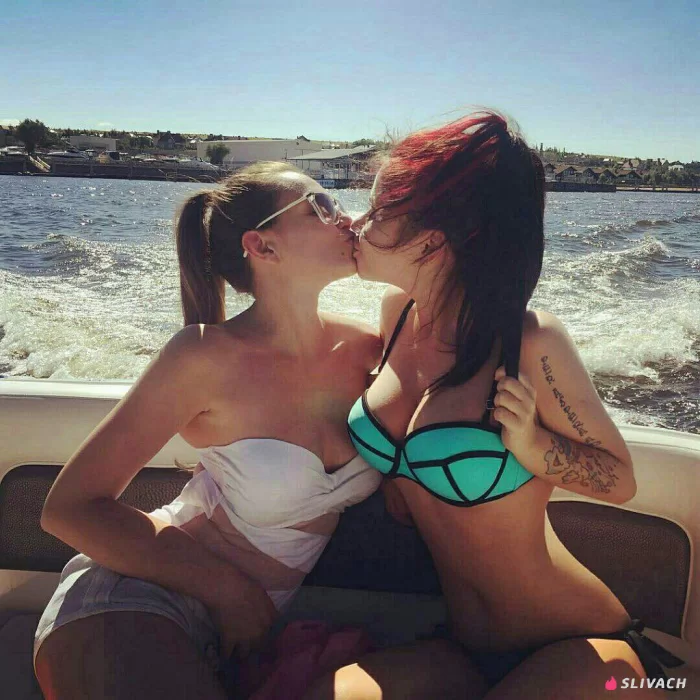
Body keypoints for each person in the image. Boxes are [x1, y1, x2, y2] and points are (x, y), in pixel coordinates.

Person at [305, 113, 682, 699]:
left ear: (432, 241)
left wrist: (534, 444)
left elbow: (620, 480)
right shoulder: (395, 316)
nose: (357, 222)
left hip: (581, 646)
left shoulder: (528, 341)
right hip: (462, 647)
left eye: (377, 211)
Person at [32, 162, 385, 699]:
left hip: (234, 639)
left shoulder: (369, 348)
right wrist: (231, 593)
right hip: (135, 597)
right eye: (321, 206)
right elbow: (70, 509)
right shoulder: (203, 356)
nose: (347, 218)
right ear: (262, 246)